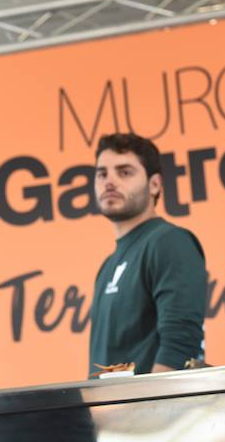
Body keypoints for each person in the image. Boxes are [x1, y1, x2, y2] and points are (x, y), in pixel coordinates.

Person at [88, 133, 206, 377]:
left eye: (124, 172)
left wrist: (155, 402)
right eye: (102, 174)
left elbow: (180, 348)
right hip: (108, 403)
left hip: (152, 403)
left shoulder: (169, 241)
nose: (109, 182)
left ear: (154, 184)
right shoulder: (107, 266)